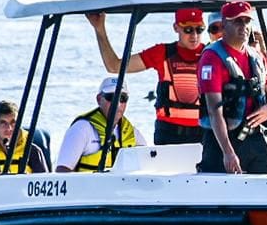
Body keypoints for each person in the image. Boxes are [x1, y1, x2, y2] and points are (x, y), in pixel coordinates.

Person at [87, 8, 205, 145]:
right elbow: (114, 66)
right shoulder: (161, 53)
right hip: (168, 133)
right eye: (188, 30)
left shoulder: (211, 54)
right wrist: (99, 29)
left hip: (203, 132)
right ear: (176, 28)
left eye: (199, 29)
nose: (194, 35)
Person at [196, 0, 267, 174]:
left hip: (254, 137)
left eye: (247, 21)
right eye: (237, 21)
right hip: (222, 141)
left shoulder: (256, 57)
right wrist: (228, 152)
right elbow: (213, 111)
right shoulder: (212, 57)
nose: (243, 26)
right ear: (224, 24)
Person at [56, 77, 147, 172]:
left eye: (122, 98)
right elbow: (62, 171)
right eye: (111, 97)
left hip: (123, 186)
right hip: (88, 186)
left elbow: (148, 164)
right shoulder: (81, 129)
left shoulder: (132, 133)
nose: (117, 104)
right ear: (99, 99)